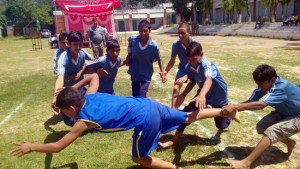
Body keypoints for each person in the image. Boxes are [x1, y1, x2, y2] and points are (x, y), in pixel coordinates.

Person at [12, 74, 240, 169]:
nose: (65, 116)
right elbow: (94, 77)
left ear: (72, 108)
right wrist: (69, 89)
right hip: (148, 104)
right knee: (187, 116)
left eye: (64, 112)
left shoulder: (84, 120)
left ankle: (173, 167)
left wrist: (31, 147)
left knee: (138, 157)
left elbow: (58, 147)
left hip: (146, 118)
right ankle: (226, 112)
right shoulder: (88, 95)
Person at [222, 64, 300, 169]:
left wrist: (235, 106)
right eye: (257, 84)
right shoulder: (263, 86)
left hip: (298, 115)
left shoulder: (281, 87)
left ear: (272, 80)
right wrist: (233, 109)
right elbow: (251, 102)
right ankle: (290, 143)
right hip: (285, 111)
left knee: (272, 131)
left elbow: (260, 105)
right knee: (262, 126)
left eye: (261, 84)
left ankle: (246, 163)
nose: (259, 87)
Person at [159, 41, 232, 148]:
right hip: (204, 95)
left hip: (219, 98)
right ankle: (173, 142)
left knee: (221, 126)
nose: (192, 62)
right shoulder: (189, 67)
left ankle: (229, 114)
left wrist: (202, 95)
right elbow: (192, 82)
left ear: (201, 54)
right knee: (184, 115)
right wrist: (183, 95)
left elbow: (208, 80)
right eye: (189, 59)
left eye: (194, 59)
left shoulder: (207, 64)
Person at [52, 31, 88, 126]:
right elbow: (59, 77)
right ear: (69, 44)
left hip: (80, 88)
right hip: (67, 91)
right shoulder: (63, 58)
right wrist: (56, 97)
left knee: (86, 110)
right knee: (70, 121)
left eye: (80, 44)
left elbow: (90, 63)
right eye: (75, 44)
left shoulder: (82, 54)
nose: (78, 47)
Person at [125, 20, 167, 97]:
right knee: (135, 96)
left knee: (141, 95)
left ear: (150, 31)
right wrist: (129, 55)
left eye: (145, 31)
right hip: (135, 72)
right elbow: (130, 45)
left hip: (146, 74)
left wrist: (163, 72)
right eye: (141, 31)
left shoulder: (153, 46)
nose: (143, 33)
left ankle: (143, 106)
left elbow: (159, 59)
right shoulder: (133, 39)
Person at [164, 22, 197, 108]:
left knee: (200, 87)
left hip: (195, 69)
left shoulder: (194, 44)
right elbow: (172, 60)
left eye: (183, 33)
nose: (180, 35)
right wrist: (165, 71)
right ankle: (173, 111)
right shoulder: (176, 44)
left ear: (189, 32)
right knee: (176, 88)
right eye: (179, 33)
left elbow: (197, 63)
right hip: (183, 68)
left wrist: (187, 76)